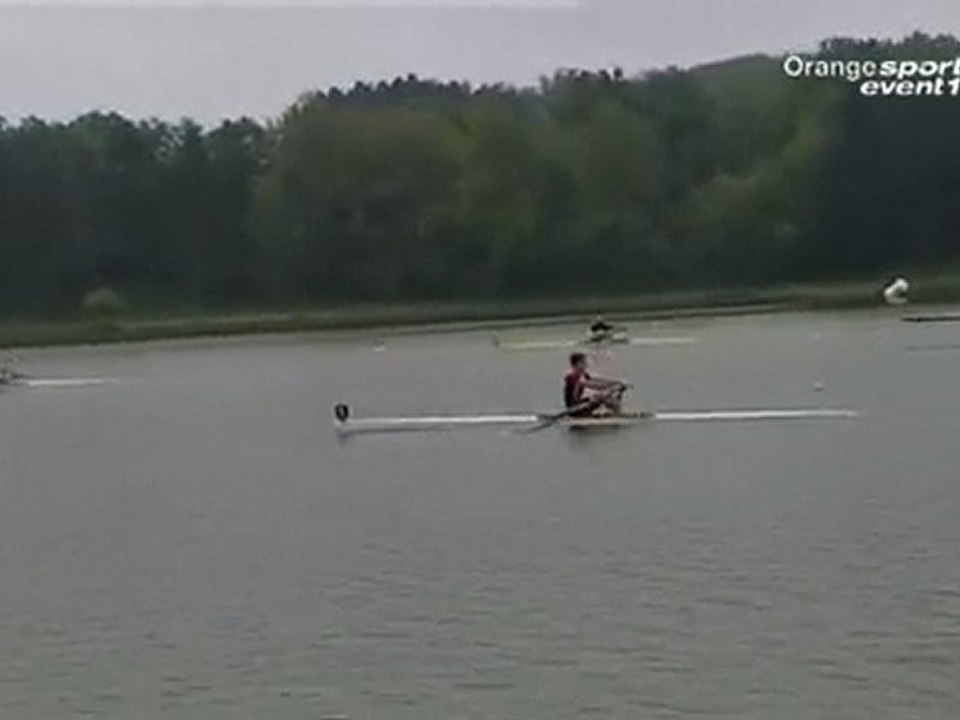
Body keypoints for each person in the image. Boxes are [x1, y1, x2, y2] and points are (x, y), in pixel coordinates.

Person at [563, 352, 626, 417]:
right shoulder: (572, 376)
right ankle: (617, 415)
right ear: (578, 363)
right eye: (584, 362)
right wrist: (612, 388)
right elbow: (592, 385)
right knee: (602, 397)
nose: (587, 364)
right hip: (575, 407)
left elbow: (597, 380)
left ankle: (617, 412)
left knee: (604, 396)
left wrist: (617, 383)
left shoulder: (583, 374)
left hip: (581, 403)